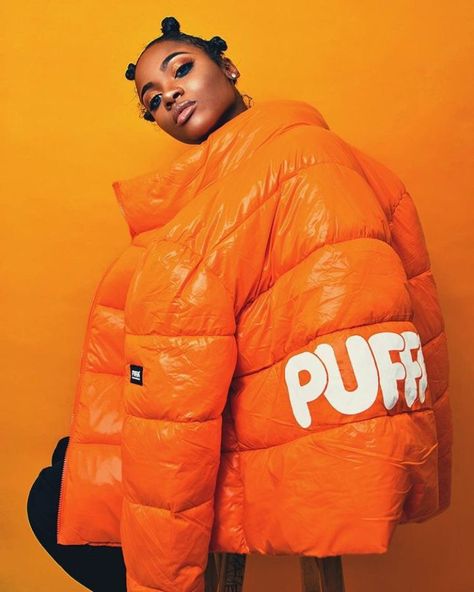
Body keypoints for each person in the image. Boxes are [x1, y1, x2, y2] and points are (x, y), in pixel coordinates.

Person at [27, 15, 453, 592]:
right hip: (262, 405)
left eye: (182, 69)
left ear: (226, 68)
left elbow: (341, 304)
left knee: (62, 490)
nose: (170, 94)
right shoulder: (248, 174)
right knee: (71, 472)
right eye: (152, 99)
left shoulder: (286, 161)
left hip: (274, 421)